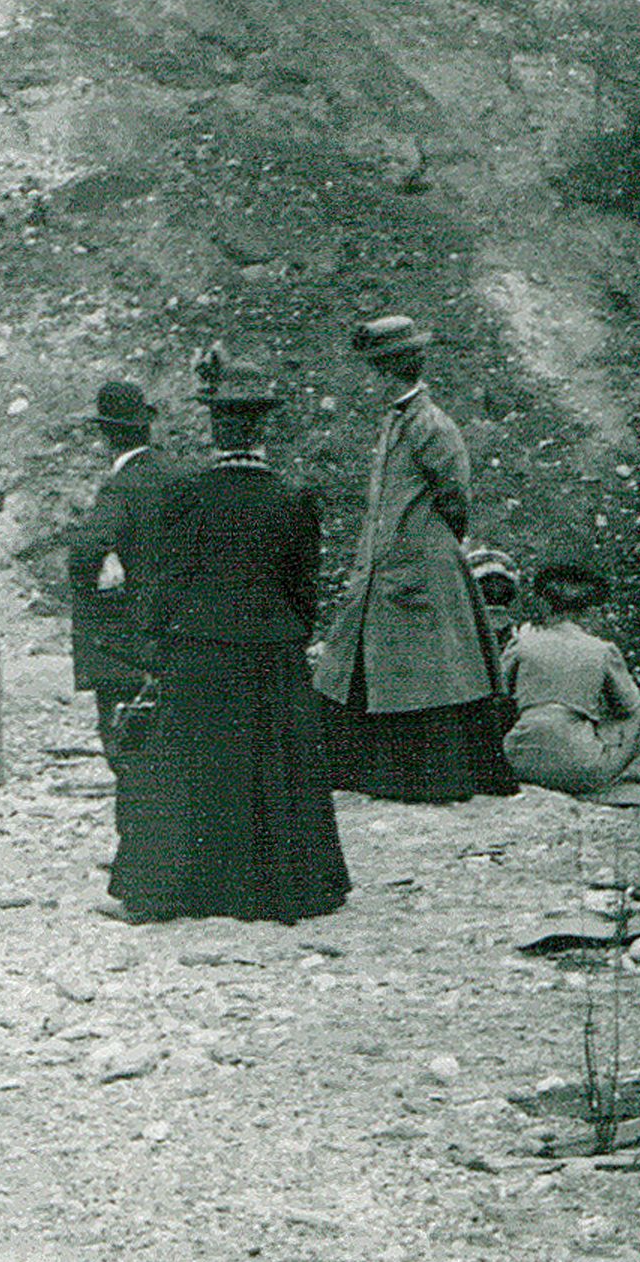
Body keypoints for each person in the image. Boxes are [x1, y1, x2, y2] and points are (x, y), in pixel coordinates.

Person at [110, 364, 351, 924]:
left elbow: (165, 581)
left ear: (215, 428)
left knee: (191, 770)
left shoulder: (186, 495)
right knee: (275, 766)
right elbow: (304, 589)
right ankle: (280, 889)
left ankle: (186, 890)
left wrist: (157, 645)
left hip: (200, 649)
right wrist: (287, 633)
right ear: (262, 429)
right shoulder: (293, 498)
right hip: (272, 649)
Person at [316, 314, 517, 802]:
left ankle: (431, 778)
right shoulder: (397, 421)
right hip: (389, 568)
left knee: (431, 674)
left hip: (421, 567)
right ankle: (377, 772)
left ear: (390, 371)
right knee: (382, 668)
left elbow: (455, 499)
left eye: (375, 370)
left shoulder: (431, 424)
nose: (371, 380)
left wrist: (421, 546)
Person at [502, 561, 640, 823]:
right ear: (588, 612)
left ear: (546, 605)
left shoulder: (521, 644)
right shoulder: (601, 650)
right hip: (576, 762)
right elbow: (629, 706)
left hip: (518, 756)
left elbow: (499, 692)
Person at [62, 380, 183, 767]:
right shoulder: (180, 476)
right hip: (181, 630)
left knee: (126, 739)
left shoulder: (121, 487)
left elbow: (86, 550)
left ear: (106, 435)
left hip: (128, 637)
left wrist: (93, 579)